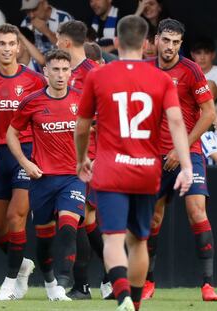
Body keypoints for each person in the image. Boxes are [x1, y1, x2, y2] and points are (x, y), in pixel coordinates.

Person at [74, 15, 193, 311]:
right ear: (147, 44)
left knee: (113, 239)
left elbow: (81, 126)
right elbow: (177, 122)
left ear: (115, 41)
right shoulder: (162, 78)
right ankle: (135, 305)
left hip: (111, 168)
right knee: (138, 241)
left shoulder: (98, 76)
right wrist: (188, 166)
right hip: (146, 170)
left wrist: (81, 159)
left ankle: (123, 295)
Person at [142, 18, 217, 302]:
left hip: (189, 154)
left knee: (197, 211)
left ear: (180, 44)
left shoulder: (191, 70)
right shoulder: (144, 68)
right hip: (153, 156)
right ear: (156, 40)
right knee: (153, 218)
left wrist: (181, 149)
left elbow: (209, 113)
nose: (170, 47)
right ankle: (149, 282)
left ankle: (207, 285)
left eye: (176, 43)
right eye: (166, 41)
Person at [0, 23, 46, 300]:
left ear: (18, 47)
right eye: (1, 43)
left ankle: (9, 283)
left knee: (17, 217)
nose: (6, 48)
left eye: (10, 44)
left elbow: (45, 117)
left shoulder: (35, 81)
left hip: (25, 154)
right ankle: (23, 264)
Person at [6, 49, 84, 301]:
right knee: (43, 239)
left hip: (73, 177)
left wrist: (89, 157)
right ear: (45, 72)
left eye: (65, 69)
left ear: (71, 72)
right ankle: (50, 283)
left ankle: (62, 283)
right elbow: (11, 134)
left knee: (69, 227)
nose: (61, 75)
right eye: (56, 70)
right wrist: (24, 162)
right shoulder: (32, 101)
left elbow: (97, 129)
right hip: (41, 179)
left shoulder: (82, 100)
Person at [56, 20, 111, 300]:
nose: (55, 44)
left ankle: (85, 284)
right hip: (64, 158)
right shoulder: (62, 72)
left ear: (66, 43)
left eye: (57, 39)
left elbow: (107, 117)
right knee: (86, 220)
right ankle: (111, 277)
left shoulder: (94, 73)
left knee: (81, 218)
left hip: (88, 157)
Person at [190, 36, 217, 104]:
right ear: (192, 55)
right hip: (191, 113)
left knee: (209, 85)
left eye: (206, 53)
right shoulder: (187, 74)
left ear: (213, 55)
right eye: (198, 53)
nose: (202, 57)